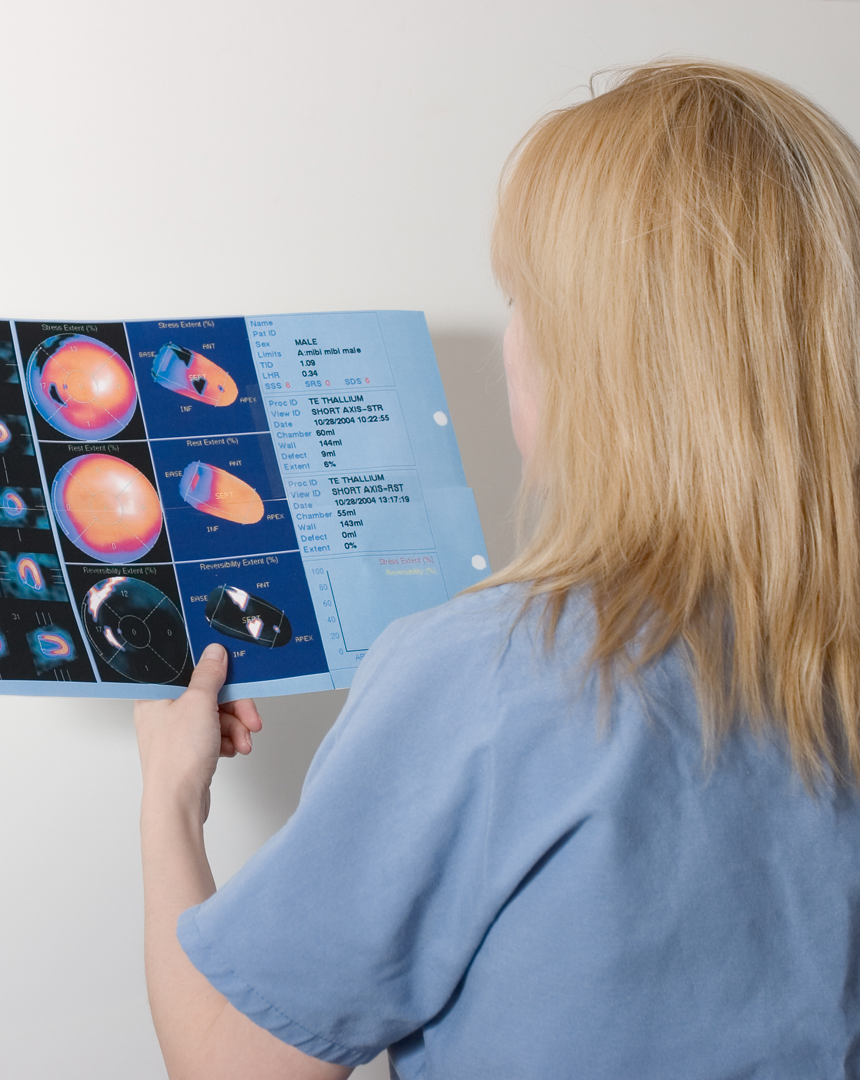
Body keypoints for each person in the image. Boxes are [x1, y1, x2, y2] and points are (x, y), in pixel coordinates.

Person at [135, 59, 860, 1079]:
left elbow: (226, 1066)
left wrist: (170, 798)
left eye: (521, 302)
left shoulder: (491, 674)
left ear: (594, 363)